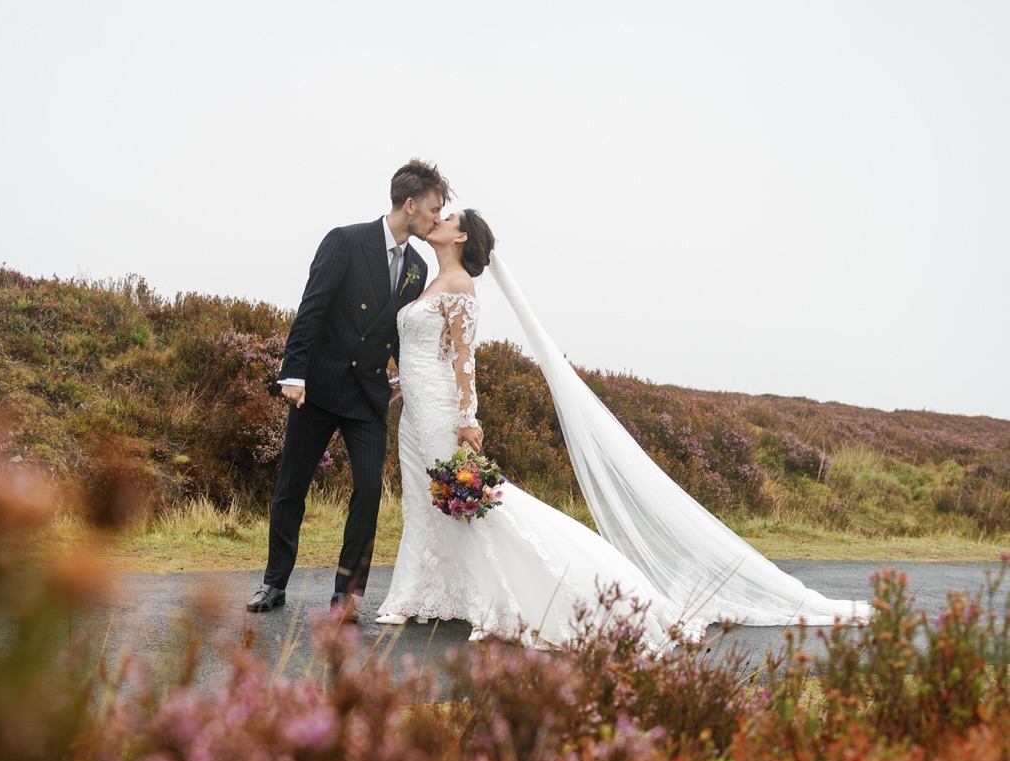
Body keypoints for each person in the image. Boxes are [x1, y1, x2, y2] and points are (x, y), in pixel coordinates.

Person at [376, 210, 871, 647]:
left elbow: (465, 361)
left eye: (447, 219)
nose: (437, 221)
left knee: (474, 504)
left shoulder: (461, 287)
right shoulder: (429, 283)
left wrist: (468, 420)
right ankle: (421, 593)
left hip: (444, 411)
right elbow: (431, 351)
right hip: (414, 414)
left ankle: (548, 586)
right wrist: (399, 382)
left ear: (461, 238)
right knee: (425, 502)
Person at [246, 160, 448, 617]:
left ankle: (347, 594)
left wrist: (406, 381)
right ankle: (273, 582)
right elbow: (311, 308)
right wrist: (293, 374)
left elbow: (398, 334)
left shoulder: (416, 266)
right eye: (434, 210)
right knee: (291, 486)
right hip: (318, 386)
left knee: (369, 490)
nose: (436, 219)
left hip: (366, 396)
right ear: (410, 204)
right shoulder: (344, 240)